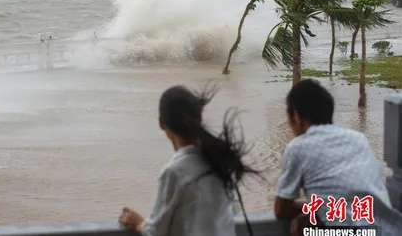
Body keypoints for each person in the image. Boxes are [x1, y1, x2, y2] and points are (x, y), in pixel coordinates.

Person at [118, 84, 257, 236]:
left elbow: (156, 231)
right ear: (199, 118)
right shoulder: (220, 160)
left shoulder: (175, 171)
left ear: (161, 124)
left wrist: (138, 223)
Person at [274, 79, 402, 236]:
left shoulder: (298, 147)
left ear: (296, 116)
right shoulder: (358, 139)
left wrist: (309, 208)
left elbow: (280, 210)